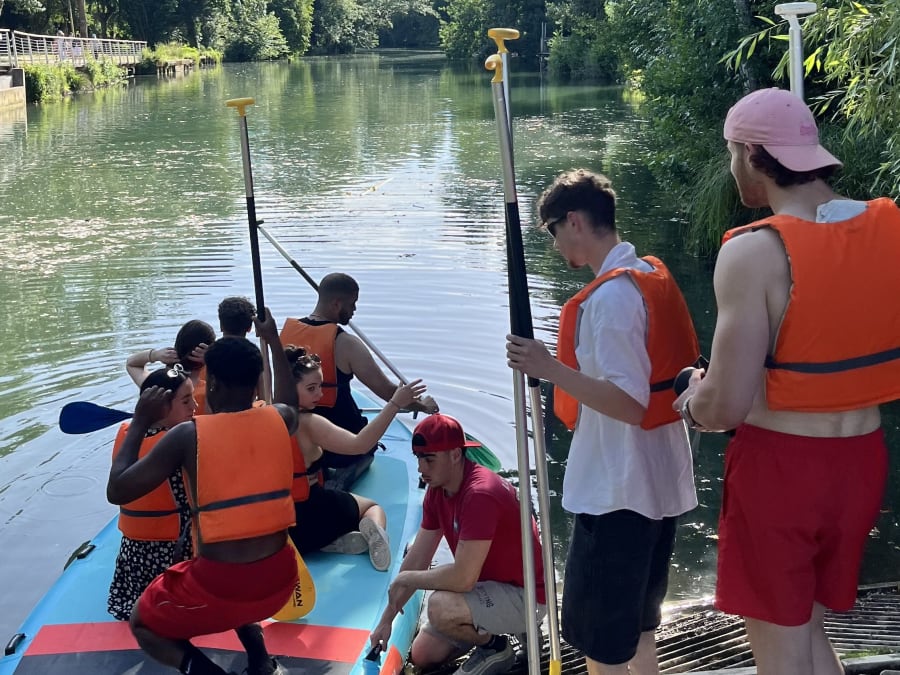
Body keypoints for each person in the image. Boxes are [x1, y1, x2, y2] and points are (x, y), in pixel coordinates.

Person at [672, 88, 898, 675]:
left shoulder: (754, 251)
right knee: (808, 628)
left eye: (732, 154)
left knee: (780, 651)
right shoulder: (890, 225)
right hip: (861, 462)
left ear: (752, 155)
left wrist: (693, 401)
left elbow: (725, 407)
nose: (732, 168)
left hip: (782, 469)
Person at [505, 169, 699, 675]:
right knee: (640, 628)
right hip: (657, 486)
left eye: (553, 231)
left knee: (602, 645)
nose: (553, 245)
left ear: (574, 221)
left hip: (618, 492)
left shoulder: (611, 299)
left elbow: (630, 404)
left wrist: (549, 368)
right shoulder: (646, 275)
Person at [106, 311, 299, 675]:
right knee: (236, 582)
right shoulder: (282, 418)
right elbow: (291, 401)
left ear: (213, 386)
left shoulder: (188, 436)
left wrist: (141, 420)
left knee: (142, 622)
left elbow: (117, 490)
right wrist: (272, 340)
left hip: (220, 587)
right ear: (256, 384)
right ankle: (260, 661)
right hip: (281, 581)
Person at [370, 414, 546, 675]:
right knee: (423, 654)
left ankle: (497, 647)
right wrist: (387, 619)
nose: (420, 468)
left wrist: (408, 579)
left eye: (429, 459)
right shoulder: (437, 491)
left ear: (455, 455)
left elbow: (463, 578)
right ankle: (493, 632)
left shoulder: (480, 494)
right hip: (487, 587)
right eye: (418, 458)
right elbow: (418, 557)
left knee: (439, 606)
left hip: (527, 596)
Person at [280, 273, 438, 488]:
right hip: (343, 448)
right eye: (352, 304)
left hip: (299, 442)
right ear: (337, 303)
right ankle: (339, 482)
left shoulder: (285, 336)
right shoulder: (347, 344)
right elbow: (387, 391)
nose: (354, 310)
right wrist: (422, 405)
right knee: (363, 451)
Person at [285, 345, 426, 570]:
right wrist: (395, 404)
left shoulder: (265, 416)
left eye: (320, 386)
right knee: (371, 507)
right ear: (289, 386)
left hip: (280, 525)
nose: (319, 394)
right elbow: (361, 444)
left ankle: (330, 543)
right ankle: (374, 536)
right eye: (311, 388)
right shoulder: (310, 424)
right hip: (311, 514)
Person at [108, 366, 197, 621]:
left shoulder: (129, 435)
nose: (195, 406)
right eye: (186, 401)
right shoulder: (180, 440)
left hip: (134, 555)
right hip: (176, 553)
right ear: (161, 407)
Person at [126, 319, 216, 412]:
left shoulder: (157, 388)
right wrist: (213, 360)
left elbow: (132, 364)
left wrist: (155, 355)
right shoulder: (214, 392)